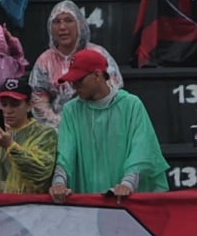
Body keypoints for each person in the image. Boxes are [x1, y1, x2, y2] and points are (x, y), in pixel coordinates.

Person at [49, 46, 167, 194]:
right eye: (72, 81)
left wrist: (128, 184)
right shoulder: (72, 110)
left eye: (79, 80)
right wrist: (59, 182)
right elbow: (66, 151)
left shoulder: (131, 104)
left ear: (98, 75)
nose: (74, 86)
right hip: (87, 202)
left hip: (125, 201)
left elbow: (141, 150)